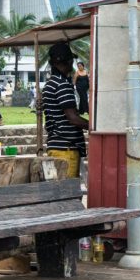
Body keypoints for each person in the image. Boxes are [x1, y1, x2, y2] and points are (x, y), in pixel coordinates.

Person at [42, 42, 88, 178]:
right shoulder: (62, 85)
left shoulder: (51, 83)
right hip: (66, 148)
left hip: (56, 146)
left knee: (58, 194)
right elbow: (73, 118)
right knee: (68, 193)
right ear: (68, 61)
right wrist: (94, 127)